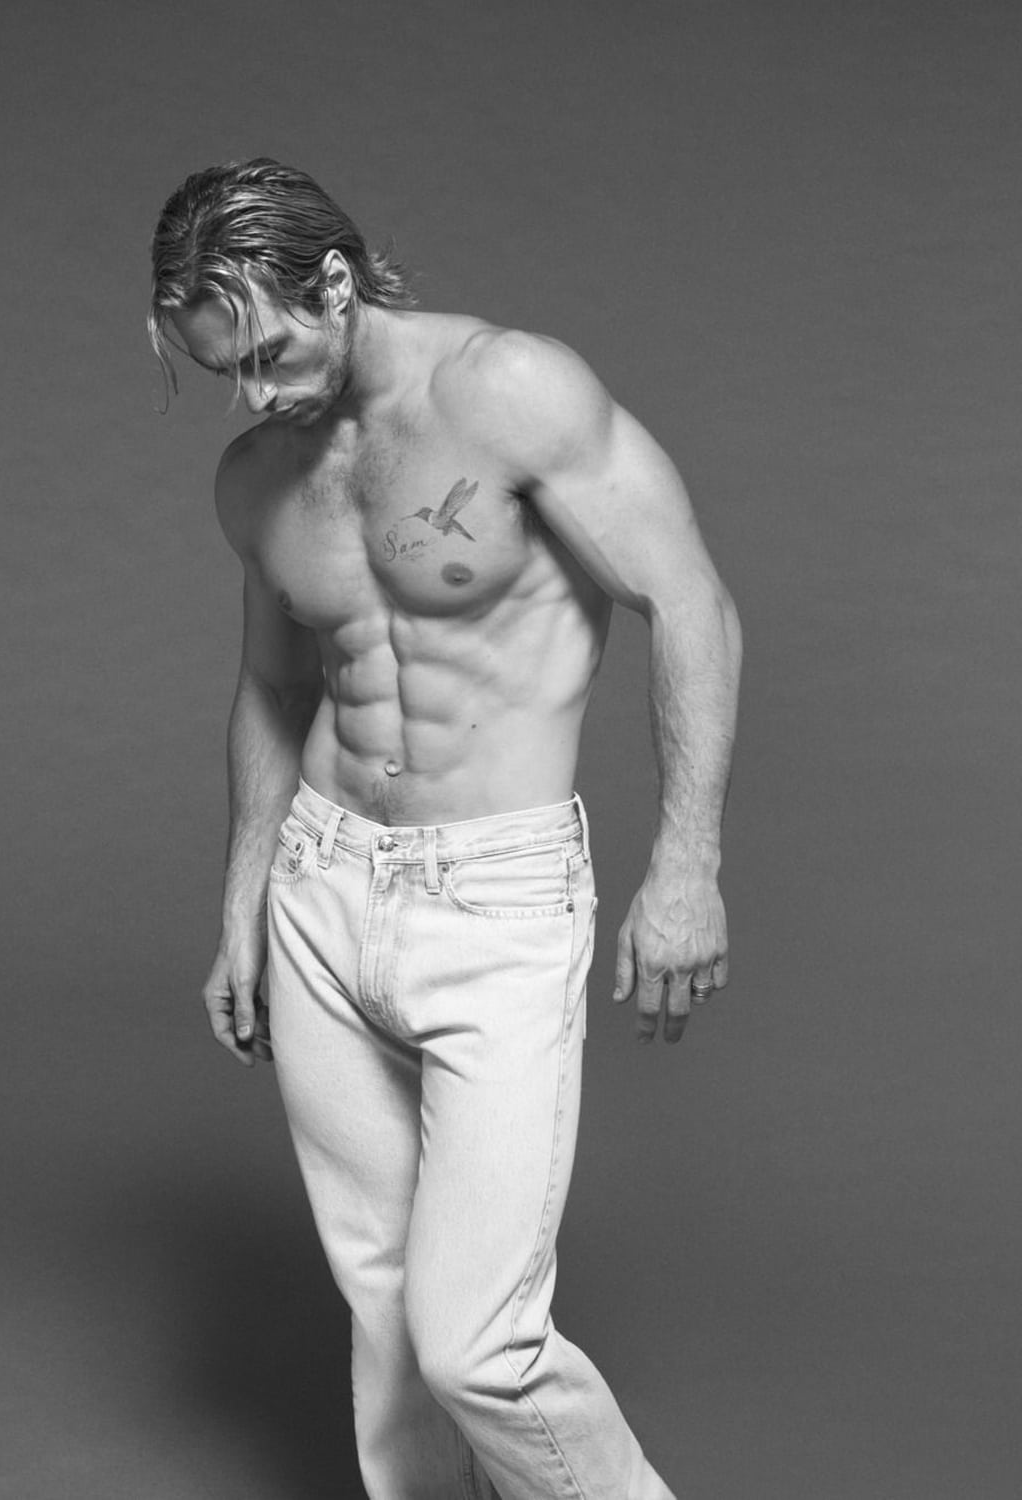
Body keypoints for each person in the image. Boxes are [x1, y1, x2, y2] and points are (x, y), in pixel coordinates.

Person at [149, 158, 741, 1500]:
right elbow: (273, 685)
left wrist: (687, 863)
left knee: (476, 1344)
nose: (257, 395)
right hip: (319, 890)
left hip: (494, 897)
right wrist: (243, 899)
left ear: (336, 283)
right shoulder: (257, 478)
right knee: (387, 1311)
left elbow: (691, 603)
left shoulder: (511, 391)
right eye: (225, 372)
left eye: (269, 353)